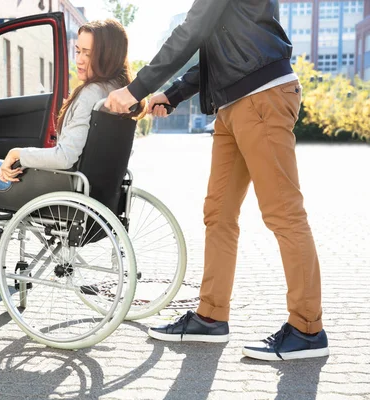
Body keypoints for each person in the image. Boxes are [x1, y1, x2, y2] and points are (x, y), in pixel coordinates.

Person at [105, 0, 328, 361]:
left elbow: (190, 31)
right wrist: (173, 93)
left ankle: (307, 329)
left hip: (262, 95)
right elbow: (216, 49)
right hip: (233, 104)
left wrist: (137, 88)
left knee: (283, 214)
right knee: (219, 213)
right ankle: (210, 316)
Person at [0, 19, 144, 277]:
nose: (78, 59)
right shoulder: (117, 93)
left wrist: (19, 154)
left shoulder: (91, 94)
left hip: (63, 189)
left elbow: (65, 156)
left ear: (107, 55)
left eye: (87, 53)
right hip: (87, 188)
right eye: (77, 50)